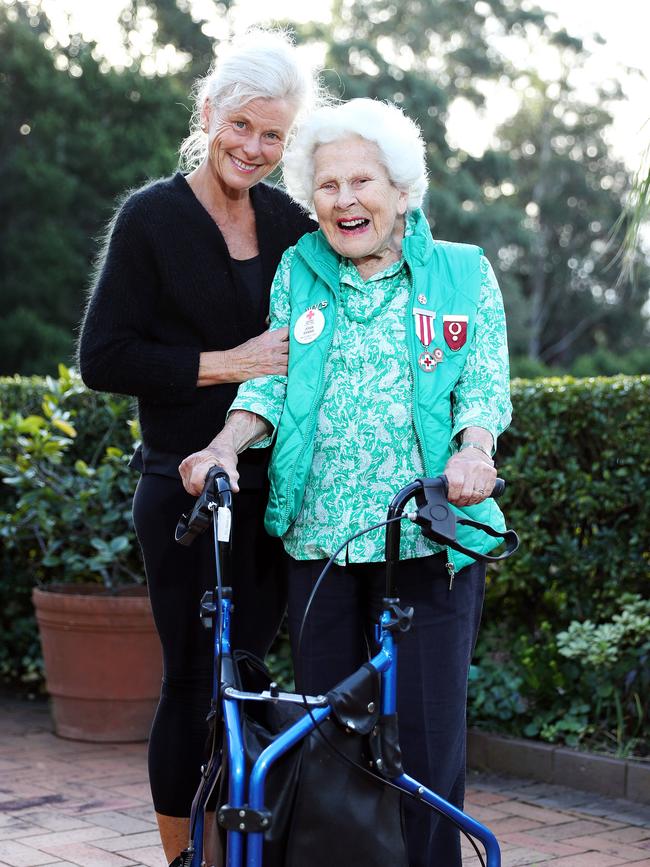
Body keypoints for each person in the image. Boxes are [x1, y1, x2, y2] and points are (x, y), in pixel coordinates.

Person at [179, 98, 512, 867]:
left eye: (362, 181)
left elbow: (483, 389)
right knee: (330, 739)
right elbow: (269, 383)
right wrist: (225, 443)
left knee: (428, 743)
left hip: (428, 540)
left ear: (401, 190)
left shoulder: (462, 272)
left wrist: (475, 453)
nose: (344, 199)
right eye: (327, 185)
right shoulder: (302, 269)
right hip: (321, 537)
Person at [78, 29, 320, 864]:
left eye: (274, 136)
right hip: (181, 491)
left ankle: (233, 848)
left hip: (274, 490)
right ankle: (181, 856)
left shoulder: (293, 224)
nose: (254, 148)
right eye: (243, 126)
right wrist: (231, 363)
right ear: (209, 111)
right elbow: (102, 356)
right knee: (189, 681)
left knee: (249, 676)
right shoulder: (151, 218)